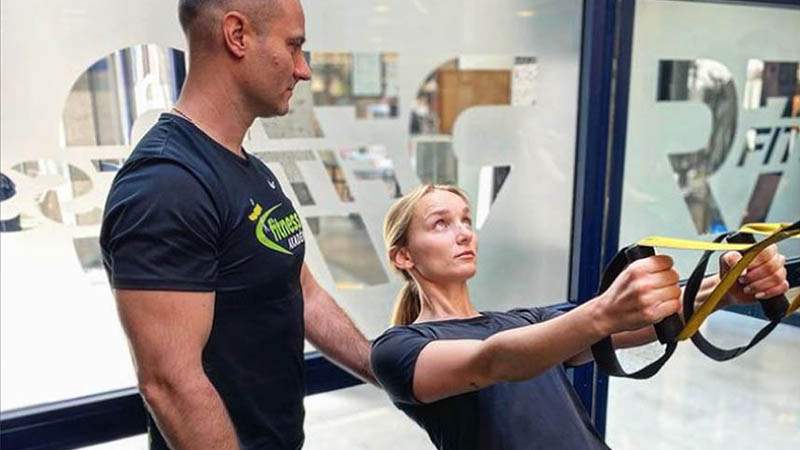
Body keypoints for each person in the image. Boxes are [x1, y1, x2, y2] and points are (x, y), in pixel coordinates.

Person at [100, 1, 375, 449]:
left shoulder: (247, 168)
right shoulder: (168, 183)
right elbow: (170, 384)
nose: (303, 70)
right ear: (237, 35)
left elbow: (302, 292)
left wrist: (390, 372)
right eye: (293, 46)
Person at [370, 184, 789, 450]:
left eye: (465, 219)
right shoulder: (399, 349)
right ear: (403, 256)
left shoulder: (528, 322)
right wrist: (604, 311)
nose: (464, 232)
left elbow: (637, 321)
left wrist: (726, 288)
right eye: (440, 224)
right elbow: (492, 361)